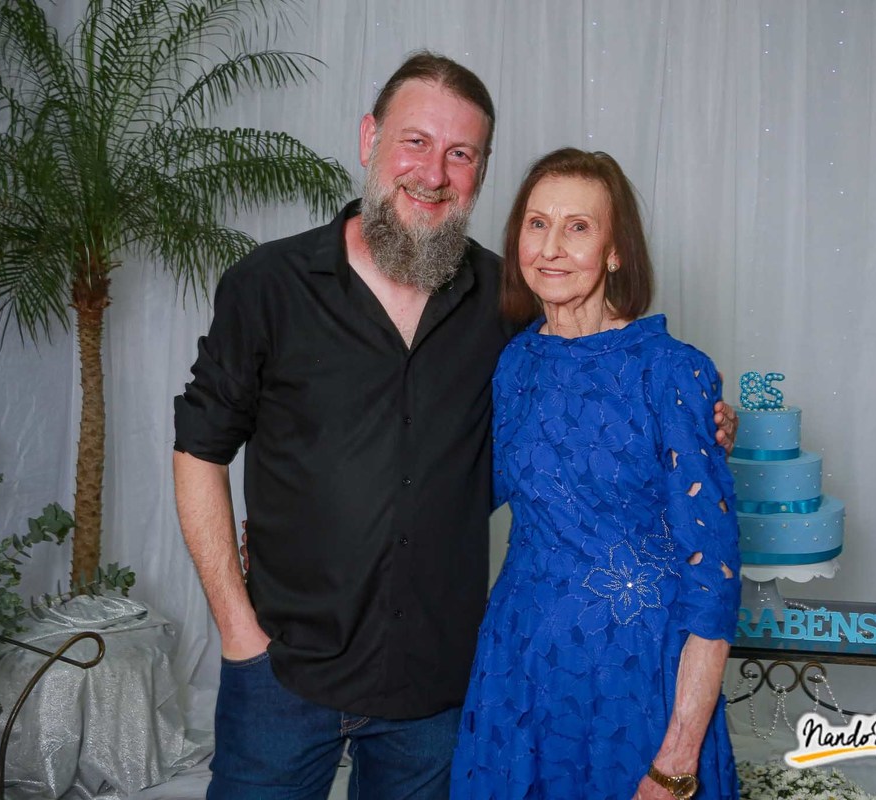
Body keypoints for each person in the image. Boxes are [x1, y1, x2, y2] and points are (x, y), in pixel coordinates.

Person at [173, 52, 736, 799]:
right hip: (285, 672)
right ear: (370, 138)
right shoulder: (267, 285)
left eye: (461, 154)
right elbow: (199, 450)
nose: (434, 173)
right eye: (416, 142)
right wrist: (237, 629)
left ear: (481, 169)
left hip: (440, 691)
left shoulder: (508, 305)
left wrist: (696, 428)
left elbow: (591, 401)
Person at [450, 148, 741, 800]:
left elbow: (714, 585)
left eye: (578, 227)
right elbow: (467, 492)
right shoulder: (515, 364)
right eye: (537, 224)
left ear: (615, 252)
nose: (551, 247)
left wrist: (678, 756)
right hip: (520, 671)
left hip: (635, 679)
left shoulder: (672, 371)